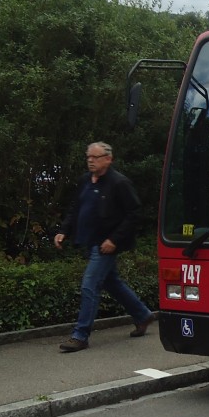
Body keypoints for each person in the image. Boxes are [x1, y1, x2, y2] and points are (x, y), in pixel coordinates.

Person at [54, 142, 155, 352]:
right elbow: (75, 208)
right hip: (90, 241)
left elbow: (134, 213)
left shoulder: (119, 183)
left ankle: (80, 335)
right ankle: (142, 315)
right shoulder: (84, 181)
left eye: (95, 157)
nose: (90, 161)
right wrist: (64, 231)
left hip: (106, 244)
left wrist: (114, 239)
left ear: (108, 159)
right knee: (112, 283)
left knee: (89, 285)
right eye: (88, 157)